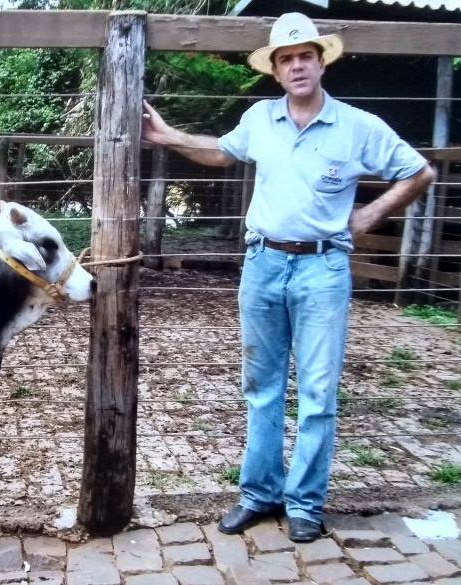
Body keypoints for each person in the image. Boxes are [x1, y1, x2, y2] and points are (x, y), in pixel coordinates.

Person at [141, 12, 434, 542]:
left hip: (323, 269)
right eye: (286, 59)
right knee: (261, 386)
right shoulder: (260, 118)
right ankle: (258, 494)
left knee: (318, 392)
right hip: (263, 263)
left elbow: (419, 171)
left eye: (305, 56)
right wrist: (167, 136)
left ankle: (304, 503)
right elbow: (221, 152)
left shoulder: (357, 126)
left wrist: (370, 215)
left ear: (321, 63)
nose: (297, 66)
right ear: (275, 71)